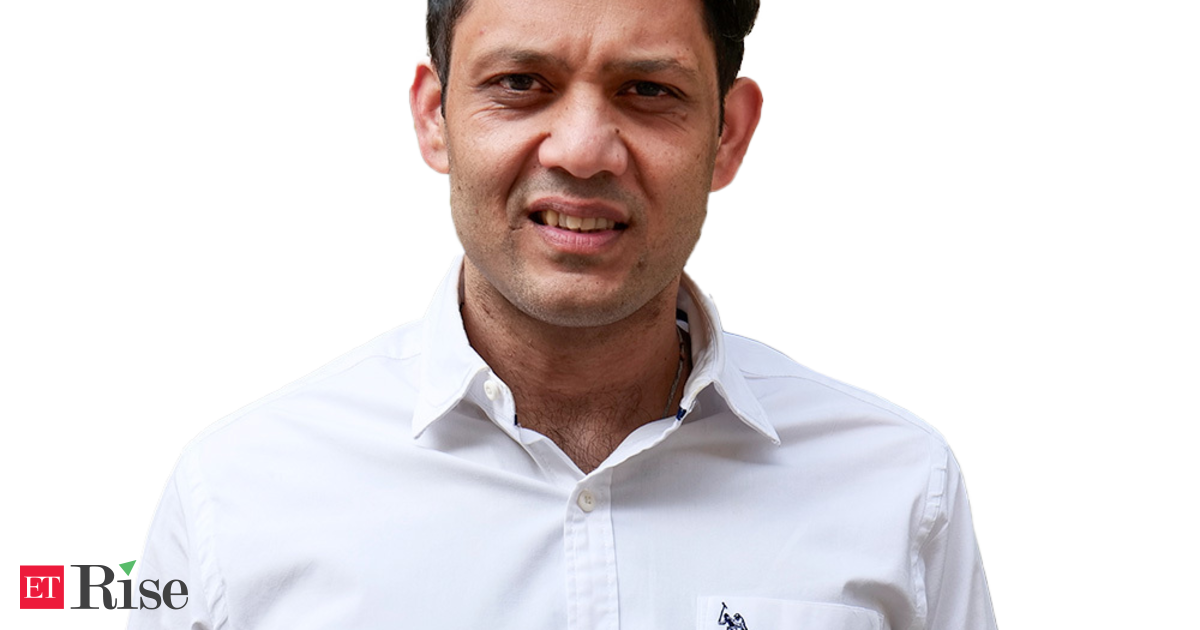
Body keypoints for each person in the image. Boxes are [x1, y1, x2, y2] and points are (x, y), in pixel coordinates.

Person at [128, 0, 1000, 628]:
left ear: (729, 136)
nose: (583, 152)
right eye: (521, 83)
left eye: (647, 90)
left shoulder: (899, 484)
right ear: (433, 115)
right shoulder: (236, 492)